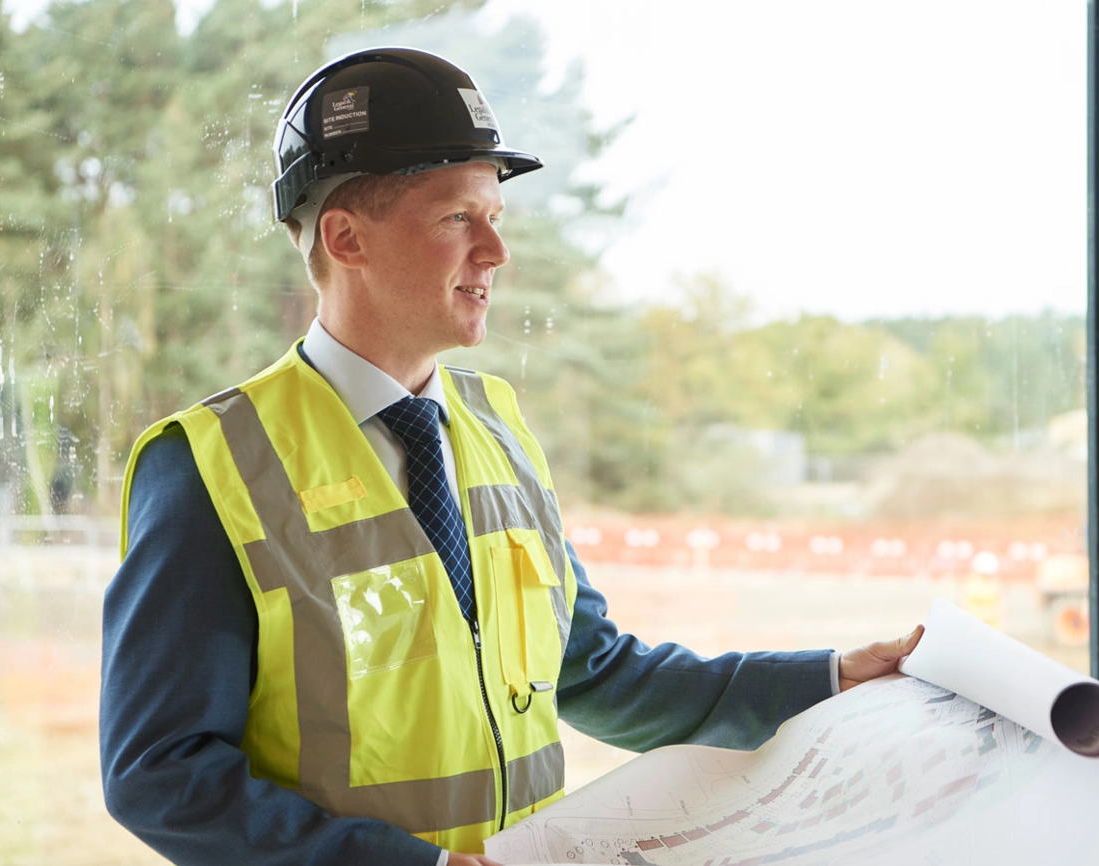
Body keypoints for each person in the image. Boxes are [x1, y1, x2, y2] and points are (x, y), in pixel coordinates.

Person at [99, 47, 923, 866]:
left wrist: (827, 679)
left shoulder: (498, 430)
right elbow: (160, 772)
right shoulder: (212, 465)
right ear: (347, 238)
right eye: (459, 218)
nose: (495, 252)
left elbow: (593, 670)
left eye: (496, 218)